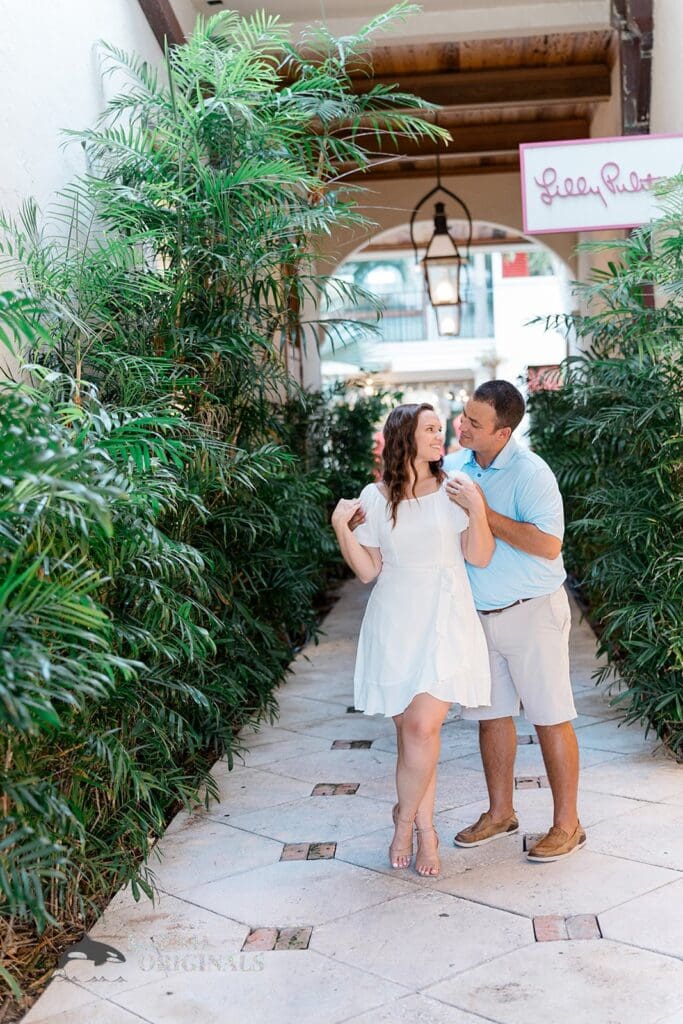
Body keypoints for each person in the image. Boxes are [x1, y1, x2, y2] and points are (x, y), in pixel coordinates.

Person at [331, 403, 494, 878]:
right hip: (396, 622)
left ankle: (403, 822)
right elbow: (368, 570)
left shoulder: (455, 488)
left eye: (441, 428)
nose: (441, 435)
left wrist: (478, 510)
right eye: (430, 429)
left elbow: (480, 556)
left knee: (423, 728)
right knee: (413, 738)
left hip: (445, 617)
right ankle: (426, 830)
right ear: (404, 436)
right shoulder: (376, 497)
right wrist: (341, 527)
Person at [443, 380, 585, 862]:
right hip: (480, 615)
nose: (462, 426)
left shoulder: (531, 473)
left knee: (550, 717)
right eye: (464, 416)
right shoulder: (457, 465)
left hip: (533, 612)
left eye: (474, 423)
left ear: (502, 433)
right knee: (490, 718)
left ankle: (568, 824)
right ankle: (500, 813)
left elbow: (548, 545)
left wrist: (485, 512)